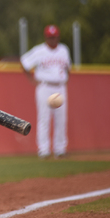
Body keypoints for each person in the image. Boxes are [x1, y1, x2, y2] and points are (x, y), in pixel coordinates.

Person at [20, 25, 72, 158]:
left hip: (60, 87)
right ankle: (44, 150)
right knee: (44, 118)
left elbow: (68, 67)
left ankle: (60, 149)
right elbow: (24, 62)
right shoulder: (39, 50)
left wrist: (66, 79)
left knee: (61, 119)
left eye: (54, 37)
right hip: (45, 86)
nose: (53, 40)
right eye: (50, 37)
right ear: (46, 38)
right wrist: (31, 80)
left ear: (58, 37)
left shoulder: (64, 50)